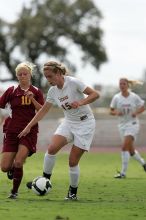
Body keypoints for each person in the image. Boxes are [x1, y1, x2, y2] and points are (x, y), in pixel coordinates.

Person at [18, 60, 100, 200]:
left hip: (85, 124)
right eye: (46, 77)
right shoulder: (53, 91)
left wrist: (81, 102)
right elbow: (43, 111)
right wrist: (28, 127)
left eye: (50, 76)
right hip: (68, 122)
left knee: (72, 161)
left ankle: (72, 193)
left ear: (59, 73)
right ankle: (44, 181)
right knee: (51, 149)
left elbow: (95, 94)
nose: (48, 80)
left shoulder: (74, 82)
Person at [0, 62, 44, 199]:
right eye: (20, 74)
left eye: (25, 73)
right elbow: (1, 104)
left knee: (19, 162)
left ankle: (14, 192)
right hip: (12, 130)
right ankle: (12, 169)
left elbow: (41, 110)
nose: (23, 76)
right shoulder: (12, 90)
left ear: (30, 75)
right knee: (5, 167)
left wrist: (32, 99)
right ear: (17, 76)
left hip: (29, 131)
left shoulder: (36, 91)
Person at [110, 78, 146, 178]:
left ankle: (123, 173)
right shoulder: (116, 97)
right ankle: (144, 163)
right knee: (130, 151)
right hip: (122, 125)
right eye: (120, 84)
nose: (121, 85)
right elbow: (111, 111)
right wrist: (116, 112)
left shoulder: (134, 97)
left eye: (123, 84)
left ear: (127, 85)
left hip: (133, 124)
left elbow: (143, 107)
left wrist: (136, 112)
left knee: (124, 147)